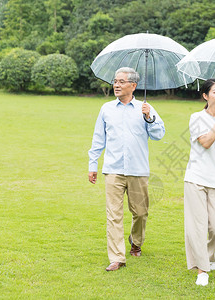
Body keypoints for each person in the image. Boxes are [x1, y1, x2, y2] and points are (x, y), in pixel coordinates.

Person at [88, 67, 165, 272]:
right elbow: (98, 138)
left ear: (133, 85)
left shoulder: (145, 108)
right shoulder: (106, 109)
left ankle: (136, 241)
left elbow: (159, 134)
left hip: (138, 170)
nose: (116, 85)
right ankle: (117, 257)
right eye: (115, 81)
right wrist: (92, 164)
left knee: (140, 212)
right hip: (112, 169)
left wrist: (150, 118)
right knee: (113, 214)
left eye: (121, 81)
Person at [184, 79, 215, 286]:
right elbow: (205, 143)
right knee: (197, 226)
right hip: (196, 178)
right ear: (205, 96)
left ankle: (209, 254)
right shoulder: (197, 117)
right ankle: (202, 269)